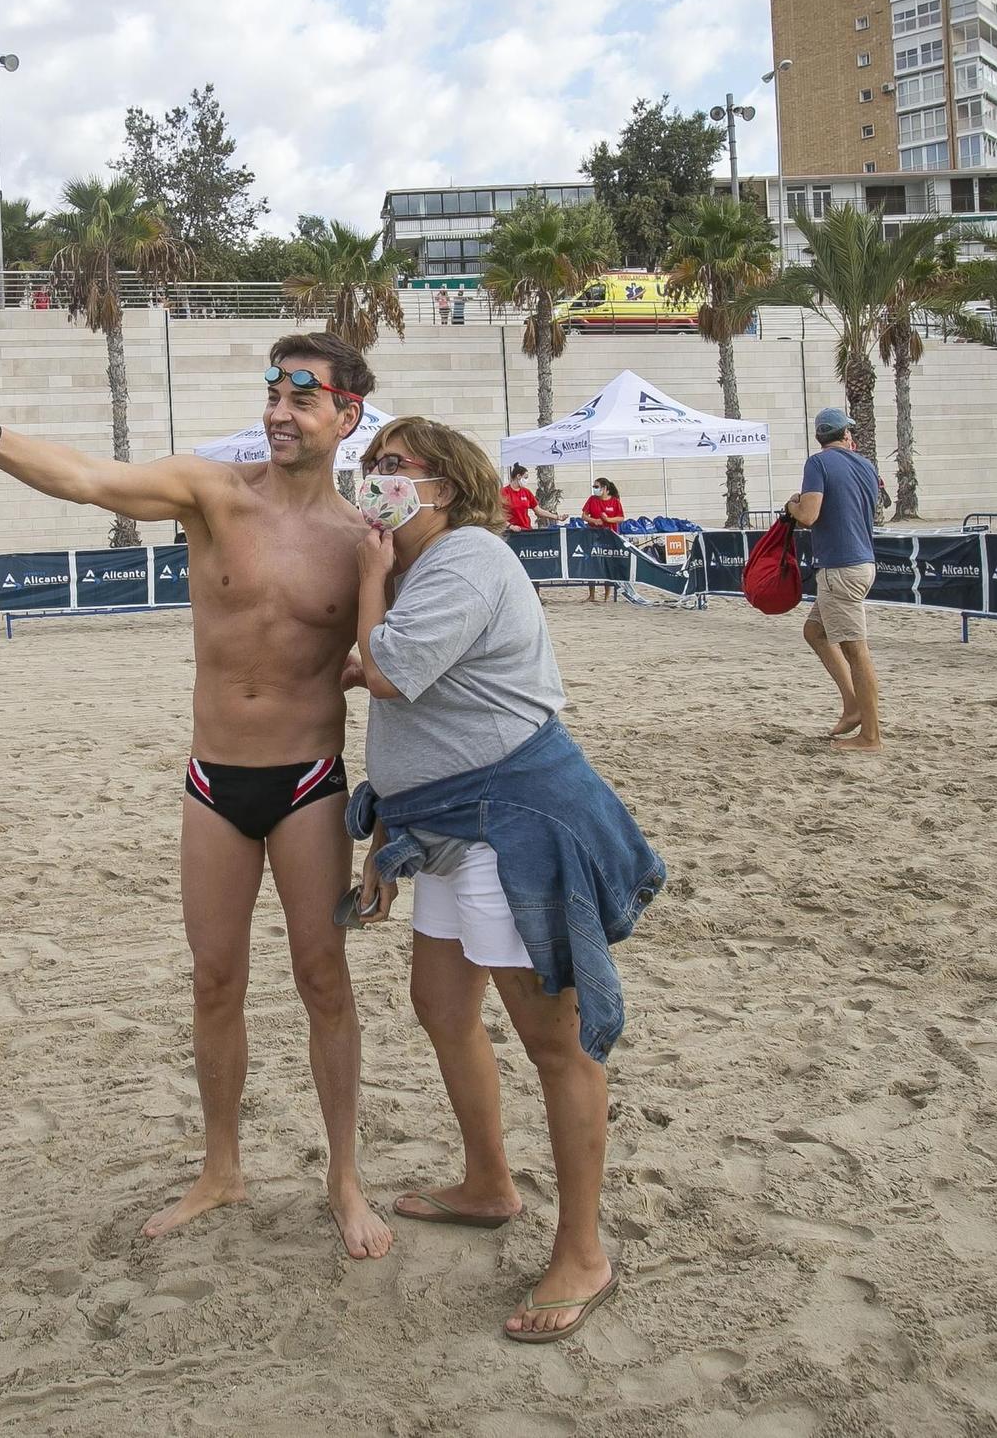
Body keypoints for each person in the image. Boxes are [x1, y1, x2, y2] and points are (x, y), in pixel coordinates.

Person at [0, 332, 393, 1261]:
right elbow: (90, 478)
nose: (279, 411)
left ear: (346, 414)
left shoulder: (364, 541)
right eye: (272, 392)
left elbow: (408, 669)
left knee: (323, 979)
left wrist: (395, 825)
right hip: (214, 781)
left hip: (310, 781)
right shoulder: (213, 492)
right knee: (215, 980)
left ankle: (344, 1175)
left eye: (303, 395)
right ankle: (222, 1167)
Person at [345, 415, 661, 1344]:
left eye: (394, 467)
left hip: (512, 823)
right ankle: (489, 1183)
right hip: (446, 827)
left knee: (554, 1039)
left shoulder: (469, 558)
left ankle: (584, 1251)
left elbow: (389, 675)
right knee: (441, 1006)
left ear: (445, 485)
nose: (375, 481)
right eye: (371, 466)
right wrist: (386, 837)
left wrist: (368, 582)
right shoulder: (420, 570)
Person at [786, 407, 883, 750]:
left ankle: (871, 736)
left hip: (840, 567)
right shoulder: (865, 465)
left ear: (820, 437)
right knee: (814, 631)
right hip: (861, 561)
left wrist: (792, 507)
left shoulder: (819, 463)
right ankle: (853, 705)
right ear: (846, 435)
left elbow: (810, 515)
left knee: (856, 650)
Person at [581, 477, 624, 603]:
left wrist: (608, 520)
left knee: (607, 565)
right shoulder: (592, 499)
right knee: (592, 564)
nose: (595, 489)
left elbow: (621, 517)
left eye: (597, 487)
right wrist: (594, 521)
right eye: (594, 487)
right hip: (593, 535)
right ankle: (592, 595)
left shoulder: (615, 501)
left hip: (609, 536)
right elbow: (584, 515)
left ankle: (606, 596)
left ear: (605, 488)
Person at [500, 464, 560, 531]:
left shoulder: (526, 492)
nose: (527, 480)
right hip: (510, 533)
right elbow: (496, 515)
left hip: (526, 530)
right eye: (525, 477)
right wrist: (510, 526)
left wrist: (557, 517)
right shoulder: (503, 492)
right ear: (518, 476)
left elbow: (539, 511)